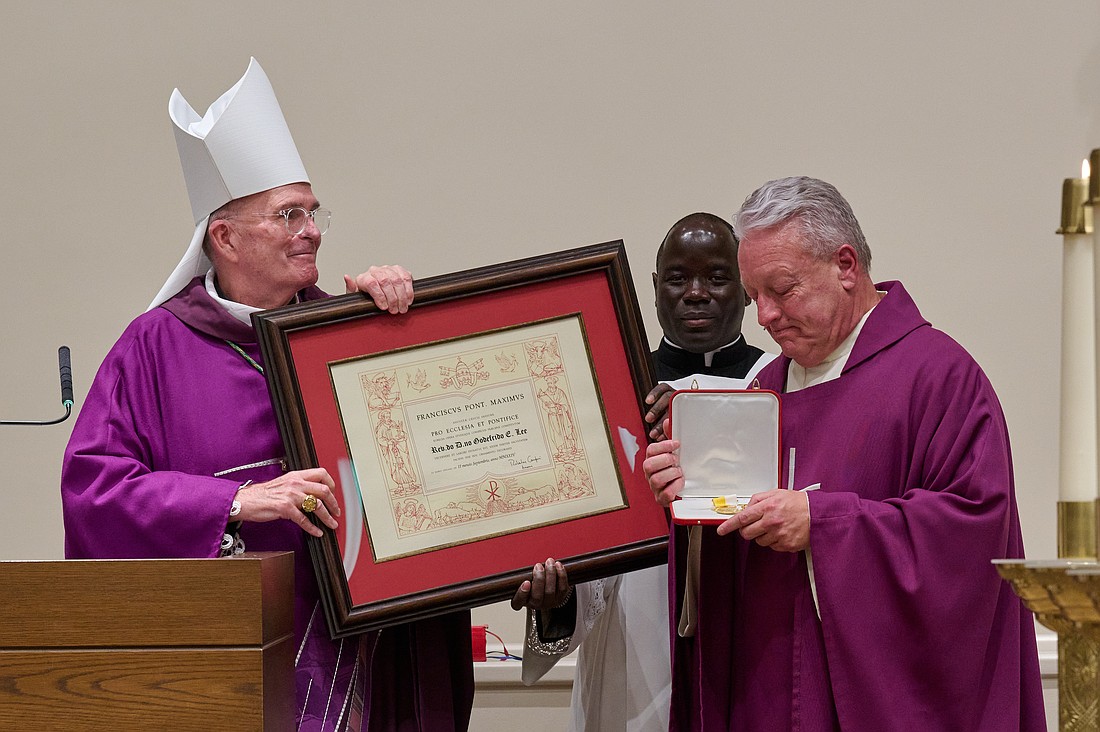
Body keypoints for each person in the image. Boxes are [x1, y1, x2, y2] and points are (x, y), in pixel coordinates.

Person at [60, 59, 473, 731]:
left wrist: (399, 329)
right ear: (223, 237)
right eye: (288, 215)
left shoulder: (345, 330)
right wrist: (233, 501)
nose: (311, 230)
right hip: (225, 670)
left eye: (313, 213)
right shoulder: (153, 348)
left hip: (361, 657)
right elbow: (94, 491)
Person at [644, 177, 1045, 730]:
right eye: (754, 294)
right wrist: (687, 501)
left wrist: (825, 526)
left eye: (781, 290)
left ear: (846, 265)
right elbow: (729, 542)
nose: (762, 316)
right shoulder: (765, 385)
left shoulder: (939, 377)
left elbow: (974, 535)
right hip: (764, 691)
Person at [515, 213, 773, 731]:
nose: (695, 293)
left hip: (748, 634)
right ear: (655, 288)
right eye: (678, 279)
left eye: (717, 278)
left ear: (746, 287)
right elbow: (589, 538)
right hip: (631, 641)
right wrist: (559, 594)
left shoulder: (777, 382)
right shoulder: (611, 387)